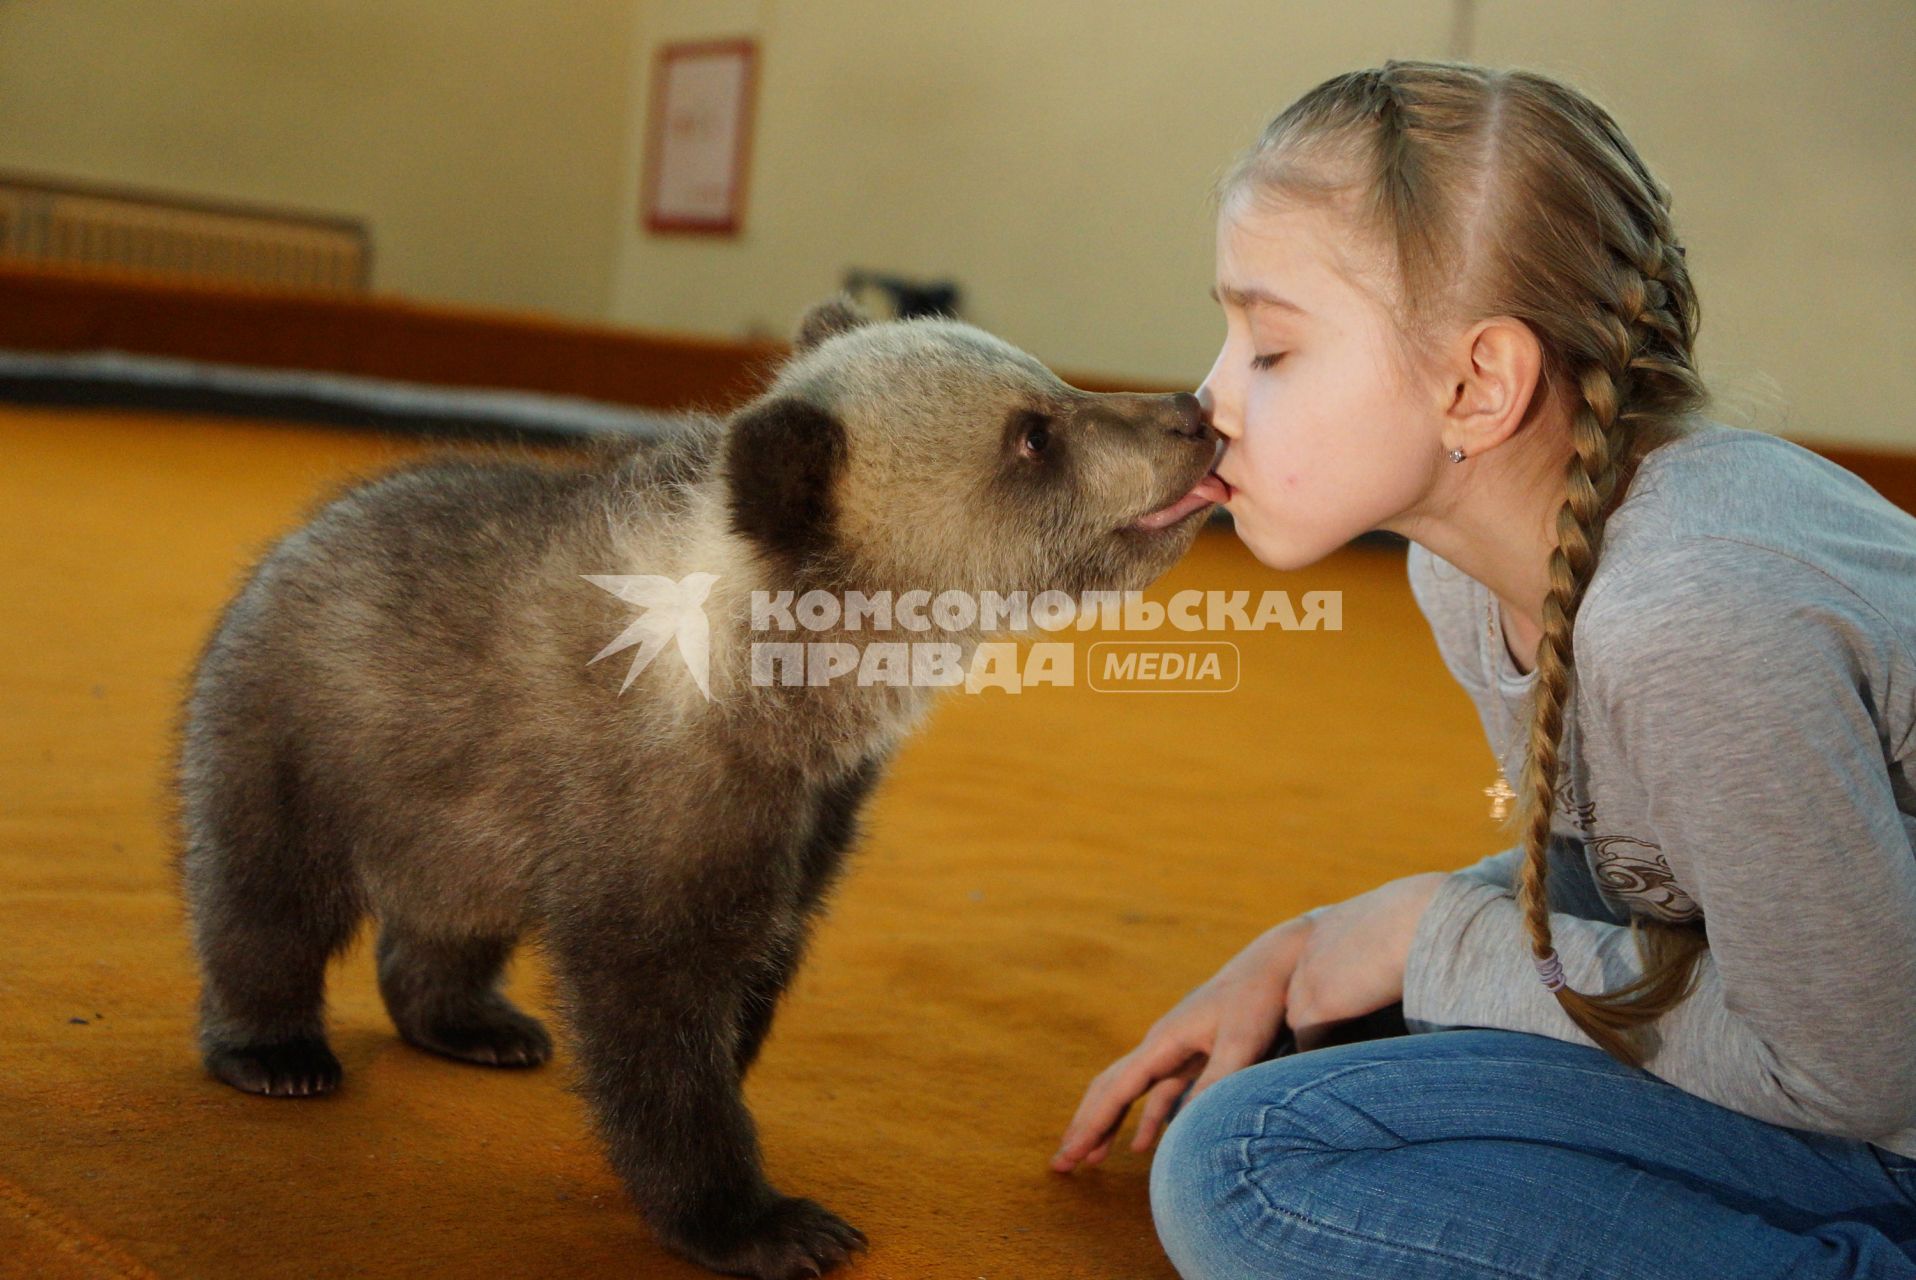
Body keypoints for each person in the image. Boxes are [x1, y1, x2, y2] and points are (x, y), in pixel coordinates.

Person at [1051, 59, 1916, 1278]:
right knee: (1327, 1042)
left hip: (1885, 1093)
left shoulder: (1688, 621)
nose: (1208, 401)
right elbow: (1624, 864)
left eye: (1270, 348)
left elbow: (1860, 1071)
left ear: (1476, 383)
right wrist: (1309, 941)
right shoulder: (1465, 570)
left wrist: (1425, 936)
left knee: (1249, 1168)